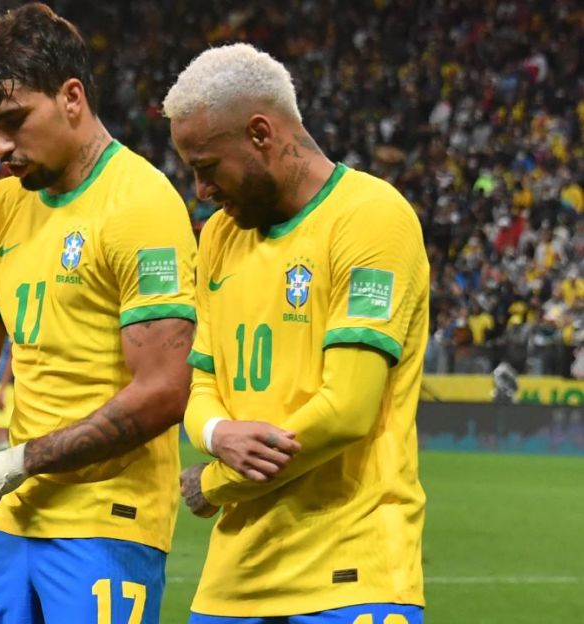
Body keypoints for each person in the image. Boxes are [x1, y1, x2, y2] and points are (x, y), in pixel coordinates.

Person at [0, 5, 197, 622]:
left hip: (108, 518)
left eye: (13, 121)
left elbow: (164, 389)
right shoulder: (1, 206)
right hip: (11, 512)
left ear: (72, 97)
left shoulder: (141, 203)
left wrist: (22, 460)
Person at [165, 43, 429, 623]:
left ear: (261, 132)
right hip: (232, 584)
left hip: (350, 576)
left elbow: (346, 411)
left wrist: (213, 484)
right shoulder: (217, 238)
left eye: (207, 168)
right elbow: (201, 383)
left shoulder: (371, 218)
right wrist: (215, 432)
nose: (202, 190)